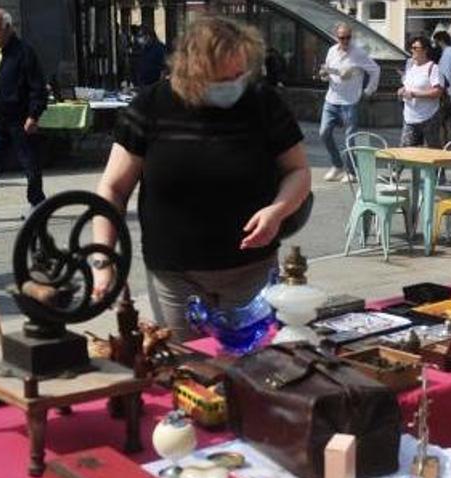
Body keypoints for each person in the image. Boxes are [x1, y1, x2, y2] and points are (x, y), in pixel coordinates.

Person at [92, 15, 311, 341]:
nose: (233, 84)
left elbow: (298, 172)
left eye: (240, 74)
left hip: (251, 272)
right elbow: (113, 188)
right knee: (186, 373)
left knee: (254, 369)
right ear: (192, 71)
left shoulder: (263, 103)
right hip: (175, 277)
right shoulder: (150, 107)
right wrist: (102, 261)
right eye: (222, 78)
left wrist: (277, 210)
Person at [0, 8, 46, 219]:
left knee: (29, 162)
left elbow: (37, 87)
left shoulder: (24, 52)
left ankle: (38, 201)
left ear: (8, 27)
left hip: (20, 118)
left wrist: (34, 115)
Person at [317, 23, 379, 184]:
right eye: (342, 38)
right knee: (324, 132)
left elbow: (375, 70)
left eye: (348, 37)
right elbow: (327, 72)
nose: (345, 41)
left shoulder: (358, 53)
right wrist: (324, 74)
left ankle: (351, 171)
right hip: (331, 99)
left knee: (350, 137)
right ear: (336, 37)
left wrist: (368, 91)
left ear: (351, 37)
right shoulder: (331, 51)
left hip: (350, 100)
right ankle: (337, 165)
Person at [398, 36, 444, 148]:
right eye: (411, 47)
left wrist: (415, 94)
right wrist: (402, 90)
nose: (412, 50)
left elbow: (438, 92)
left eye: (415, 48)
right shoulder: (411, 67)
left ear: (425, 50)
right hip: (410, 117)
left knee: (431, 152)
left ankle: (436, 166)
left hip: (428, 116)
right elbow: (407, 86)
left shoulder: (433, 68)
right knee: (406, 152)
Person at [433, 31, 451, 143]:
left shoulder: (446, 55)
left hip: (446, 93)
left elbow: (444, 75)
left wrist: (441, 91)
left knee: (442, 121)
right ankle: (450, 143)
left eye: (436, 42)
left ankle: (443, 144)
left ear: (440, 41)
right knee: (449, 120)